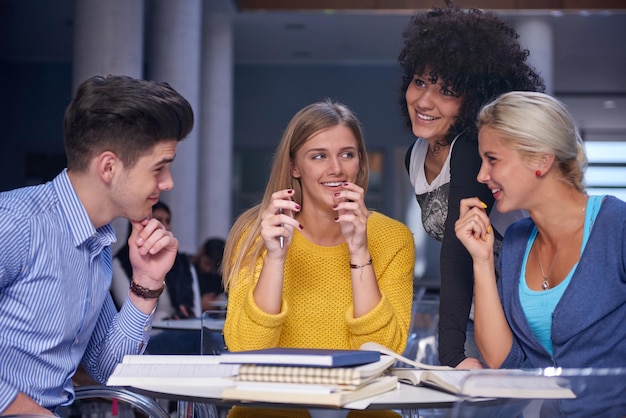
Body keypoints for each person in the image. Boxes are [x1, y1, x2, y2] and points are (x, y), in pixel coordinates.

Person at [0, 74, 194, 415]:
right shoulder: (16, 221)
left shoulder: (96, 243)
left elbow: (107, 368)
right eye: (159, 168)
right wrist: (26, 410)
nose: (168, 182)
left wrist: (145, 285)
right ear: (108, 166)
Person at [222, 100, 415, 418]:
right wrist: (275, 258)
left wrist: (359, 251)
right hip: (271, 410)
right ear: (295, 167)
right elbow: (247, 350)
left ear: (359, 162)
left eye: (347, 154)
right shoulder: (257, 232)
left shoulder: (393, 238)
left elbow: (384, 353)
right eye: (319, 156)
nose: (336, 168)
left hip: (362, 409)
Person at [455, 91, 626, 416]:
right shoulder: (518, 240)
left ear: (541, 160)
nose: (481, 175)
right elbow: (502, 360)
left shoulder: (617, 227)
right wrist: (482, 259)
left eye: (492, 159)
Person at [398, 2, 545, 368]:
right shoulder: (415, 156)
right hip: (479, 307)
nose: (424, 100)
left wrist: (451, 357)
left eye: (446, 91)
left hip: (515, 313)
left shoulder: (468, 150)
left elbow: (457, 252)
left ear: (473, 100)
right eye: (420, 82)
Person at [195, 237, 226, 312]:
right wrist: (198, 303)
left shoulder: (216, 276)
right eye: (207, 263)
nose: (208, 270)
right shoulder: (186, 271)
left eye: (213, 267)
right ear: (201, 251)